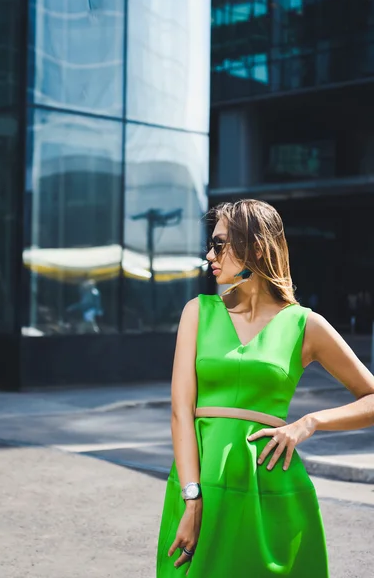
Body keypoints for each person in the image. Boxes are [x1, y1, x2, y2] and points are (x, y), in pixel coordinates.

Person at [156, 199, 374, 577]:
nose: (210, 254)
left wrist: (309, 423)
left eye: (220, 244)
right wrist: (191, 498)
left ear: (255, 247)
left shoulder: (305, 325)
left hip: (270, 486)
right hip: (200, 486)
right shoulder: (198, 311)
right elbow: (180, 411)